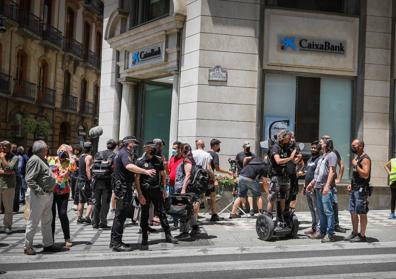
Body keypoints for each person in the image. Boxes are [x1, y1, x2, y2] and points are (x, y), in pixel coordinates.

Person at [110, 136, 156, 252]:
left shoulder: (121, 152)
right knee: (120, 216)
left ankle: (114, 241)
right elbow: (129, 166)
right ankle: (116, 243)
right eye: (134, 143)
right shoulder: (124, 153)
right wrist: (145, 171)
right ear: (128, 143)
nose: (136, 145)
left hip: (122, 188)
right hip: (123, 189)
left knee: (119, 216)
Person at [135, 141, 178, 250]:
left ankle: (168, 235)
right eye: (152, 147)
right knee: (144, 214)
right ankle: (144, 237)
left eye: (155, 147)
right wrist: (139, 194)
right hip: (145, 191)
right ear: (146, 148)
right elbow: (137, 179)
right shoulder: (140, 161)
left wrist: (164, 189)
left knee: (162, 213)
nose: (155, 149)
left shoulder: (158, 160)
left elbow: (163, 175)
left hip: (157, 190)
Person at [24, 140, 61, 255]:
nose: (48, 149)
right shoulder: (35, 159)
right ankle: (27, 246)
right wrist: (40, 191)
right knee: (33, 221)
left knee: (47, 220)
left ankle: (48, 244)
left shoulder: (42, 158)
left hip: (47, 194)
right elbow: (29, 179)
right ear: (41, 150)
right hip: (38, 195)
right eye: (46, 148)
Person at [306, 136, 337, 243]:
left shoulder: (332, 155)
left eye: (321, 142)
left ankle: (330, 234)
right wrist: (311, 183)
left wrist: (327, 186)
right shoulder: (323, 156)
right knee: (321, 211)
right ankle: (322, 232)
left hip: (325, 187)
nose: (319, 143)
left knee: (328, 211)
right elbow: (318, 173)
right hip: (318, 187)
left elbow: (332, 171)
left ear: (327, 144)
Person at [48, 144, 76, 248]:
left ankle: (67, 238)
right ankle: (50, 239)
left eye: (64, 151)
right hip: (51, 191)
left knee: (63, 214)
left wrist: (69, 153)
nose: (62, 152)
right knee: (51, 216)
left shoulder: (69, 162)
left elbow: (73, 167)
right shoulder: (51, 159)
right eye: (61, 150)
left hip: (63, 191)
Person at [267, 130, 296, 226]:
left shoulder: (286, 147)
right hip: (276, 176)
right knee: (273, 196)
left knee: (283, 197)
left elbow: (293, 160)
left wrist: (296, 157)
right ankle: (268, 217)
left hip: (285, 176)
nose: (290, 138)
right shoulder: (275, 147)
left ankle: (282, 217)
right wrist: (290, 158)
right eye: (289, 137)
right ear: (283, 137)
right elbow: (278, 161)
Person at [346, 139, 371, 242]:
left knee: (362, 212)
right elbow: (356, 174)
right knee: (353, 212)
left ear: (360, 146)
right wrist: (350, 184)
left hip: (361, 190)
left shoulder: (365, 159)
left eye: (354, 146)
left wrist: (356, 165)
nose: (352, 147)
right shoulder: (357, 158)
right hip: (354, 189)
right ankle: (355, 232)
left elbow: (365, 175)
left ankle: (362, 235)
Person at [322, 135, 346, 233]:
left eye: (327, 138)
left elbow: (342, 165)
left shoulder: (333, 152)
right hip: (322, 184)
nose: (325, 139)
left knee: (334, 204)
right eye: (324, 138)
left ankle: (335, 225)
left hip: (331, 184)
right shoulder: (323, 152)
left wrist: (339, 178)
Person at [174, 143, 199, 238]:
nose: (177, 151)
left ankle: (184, 232)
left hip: (184, 189)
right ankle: (195, 227)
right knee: (189, 209)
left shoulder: (187, 160)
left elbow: (188, 175)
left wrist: (183, 189)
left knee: (183, 210)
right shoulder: (189, 159)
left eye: (178, 149)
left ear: (181, 150)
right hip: (185, 188)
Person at [91, 139, 117, 229]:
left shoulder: (98, 153)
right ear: (115, 146)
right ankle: (103, 222)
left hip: (96, 181)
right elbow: (114, 170)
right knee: (105, 203)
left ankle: (95, 222)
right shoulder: (114, 155)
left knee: (96, 202)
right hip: (107, 182)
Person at [207, 139, 233, 221]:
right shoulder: (214, 155)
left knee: (202, 196)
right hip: (210, 178)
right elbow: (217, 168)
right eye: (218, 145)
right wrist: (227, 172)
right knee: (213, 196)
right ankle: (214, 214)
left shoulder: (205, 153)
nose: (219, 147)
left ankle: (195, 215)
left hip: (201, 178)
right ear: (215, 145)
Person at [303, 141, 321, 237]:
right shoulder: (309, 159)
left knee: (316, 208)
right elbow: (307, 174)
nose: (313, 149)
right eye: (312, 147)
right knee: (311, 209)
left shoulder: (319, 160)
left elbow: (317, 175)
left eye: (315, 148)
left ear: (319, 149)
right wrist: (305, 186)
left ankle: (318, 229)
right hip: (307, 188)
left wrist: (311, 185)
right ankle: (313, 226)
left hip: (314, 188)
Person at [0, 141, 19, 234]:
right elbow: (8, 171)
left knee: (8, 207)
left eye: (4, 148)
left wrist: (3, 158)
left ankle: (7, 225)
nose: (2, 149)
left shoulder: (14, 157)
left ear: (9, 148)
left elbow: (9, 168)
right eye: (1, 147)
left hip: (8, 185)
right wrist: (5, 172)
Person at [77, 142, 94, 224]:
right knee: (90, 200)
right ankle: (87, 217)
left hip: (79, 180)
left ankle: (79, 218)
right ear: (91, 148)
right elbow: (87, 168)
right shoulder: (89, 157)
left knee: (81, 201)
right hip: (85, 181)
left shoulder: (81, 156)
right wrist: (90, 179)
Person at [167, 141, 184, 227]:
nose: (173, 150)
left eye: (175, 148)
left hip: (179, 185)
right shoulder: (172, 158)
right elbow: (169, 170)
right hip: (171, 184)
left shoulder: (184, 159)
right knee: (172, 203)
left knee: (179, 203)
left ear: (180, 149)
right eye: (173, 148)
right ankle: (175, 222)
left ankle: (181, 221)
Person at [70, 145, 82, 211]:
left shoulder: (81, 157)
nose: (76, 151)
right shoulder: (72, 156)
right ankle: (75, 200)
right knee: (72, 189)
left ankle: (76, 204)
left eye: (77, 150)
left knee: (76, 190)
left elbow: (82, 165)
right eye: (75, 150)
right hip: (72, 175)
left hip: (78, 175)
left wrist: (77, 159)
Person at [384, 154, 396, 219]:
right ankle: (392, 213)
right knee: (393, 198)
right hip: (393, 181)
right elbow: (385, 166)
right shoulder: (392, 160)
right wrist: (389, 173)